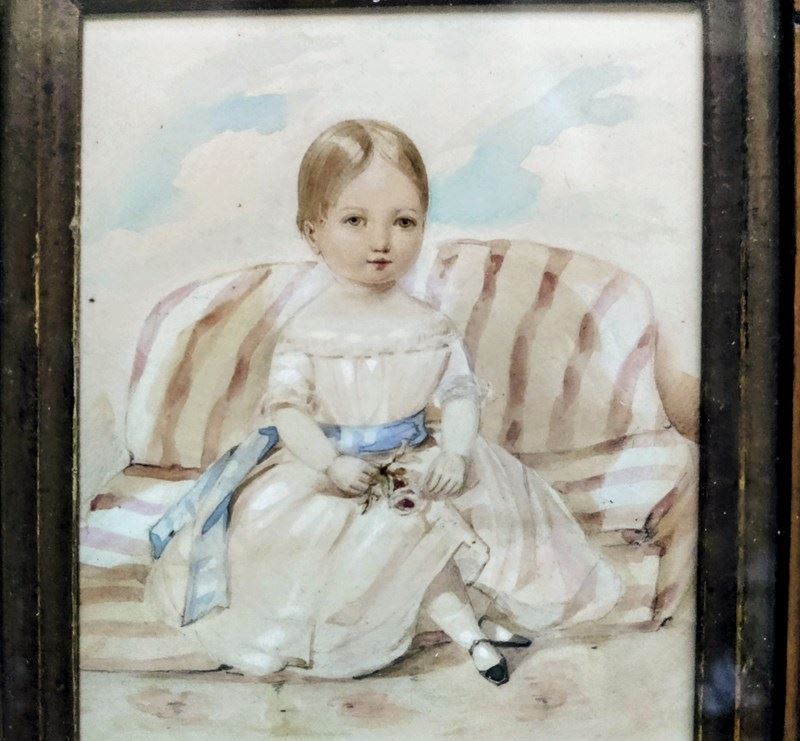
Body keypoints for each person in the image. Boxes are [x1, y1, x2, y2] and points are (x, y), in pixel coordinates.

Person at [144, 119, 622, 686]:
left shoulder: (429, 326)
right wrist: (329, 463)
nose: (382, 241)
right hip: (330, 471)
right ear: (312, 232)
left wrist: (455, 453)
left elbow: (459, 394)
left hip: (418, 455)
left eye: (403, 222)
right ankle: (465, 634)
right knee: (371, 537)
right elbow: (289, 411)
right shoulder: (308, 330)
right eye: (355, 221)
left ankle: (467, 629)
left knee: (441, 515)